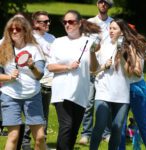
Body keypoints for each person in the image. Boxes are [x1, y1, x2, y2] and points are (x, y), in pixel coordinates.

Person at [89, 18, 146, 150]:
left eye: (114, 28)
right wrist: (92, 52)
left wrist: (122, 56)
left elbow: (135, 72)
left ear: (122, 32)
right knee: (100, 124)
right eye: (110, 28)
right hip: (103, 91)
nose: (110, 31)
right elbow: (93, 70)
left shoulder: (130, 47)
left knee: (117, 128)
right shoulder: (103, 44)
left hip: (122, 93)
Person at [47, 10, 100, 150]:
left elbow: (94, 68)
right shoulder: (58, 42)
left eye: (71, 22)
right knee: (67, 126)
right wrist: (67, 67)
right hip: (62, 91)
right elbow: (50, 66)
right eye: (65, 22)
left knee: (74, 129)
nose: (67, 25)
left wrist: (93, 53)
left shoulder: (89, 42)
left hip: (81, 93)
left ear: (80, 23)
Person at [0, 16, 46, 150]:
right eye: (11, 29)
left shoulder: (35, 49)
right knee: (13, 137)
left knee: (40, 137)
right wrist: (8, 77)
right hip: (10, 96)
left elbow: (39, 75)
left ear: (25, 30)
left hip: (32, 96)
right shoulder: (3, 48)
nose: (14, 32)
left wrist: (32, 66)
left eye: (18, 29)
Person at [79, 0, 113, 145]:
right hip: (91, 66)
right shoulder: (89, 22)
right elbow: (83, 43)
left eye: (106, 2)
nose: (103, 4)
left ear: (109, 5)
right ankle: (86, 133)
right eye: (101, 1)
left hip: (107, 67)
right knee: (88, 102)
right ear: (97, 4)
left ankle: (107, 132)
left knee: (107, 101)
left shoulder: (114, 23)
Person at [21, 11, 55, 150]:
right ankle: (25, 141)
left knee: (44, 114)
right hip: (32, 79)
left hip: (48, 80)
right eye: (44, 21)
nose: (47, 24)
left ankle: (42, 143)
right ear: (35, 23)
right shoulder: (28, 38)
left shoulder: (52, 38)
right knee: (34, 114)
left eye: (48, 21)